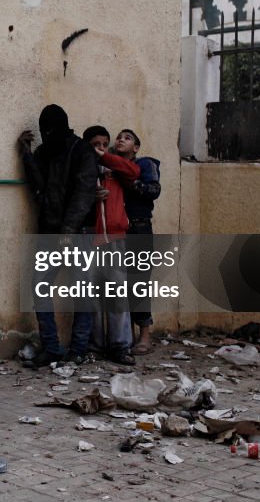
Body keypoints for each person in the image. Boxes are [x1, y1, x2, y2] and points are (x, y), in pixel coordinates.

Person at [18, 105, 99, 368]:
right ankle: (51, 348)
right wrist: (27, 155)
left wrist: (66, 232)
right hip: (52, 231)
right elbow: (39, 187)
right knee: (39, 285)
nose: (47, 134)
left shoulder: (81, 150)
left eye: (50, 130)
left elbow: (83, 194)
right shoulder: (45, 151)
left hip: (78, 232)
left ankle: (78, 349)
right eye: (45, 131)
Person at [82, 125, 140, 365]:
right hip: (90, 237)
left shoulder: (115, 164)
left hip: (115, 237)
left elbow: (134, 171)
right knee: (92, 297)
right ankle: (95, 346)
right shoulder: (84, 167)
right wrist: (90, 195)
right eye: (96, 145)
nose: (101, 149)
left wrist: (105, 157)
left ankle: (120, 346)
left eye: (105, 145)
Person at [114, 128, 161, 355]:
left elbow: (153, 190)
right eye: (119, 137)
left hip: (139, 228)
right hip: (116, 231)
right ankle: (126, 336)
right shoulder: (110, 167)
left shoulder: (145, 165)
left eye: (128, 138)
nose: (121, 140)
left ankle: (145, 335)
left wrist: (131, 180)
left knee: (138, 283)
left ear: (136, 148)